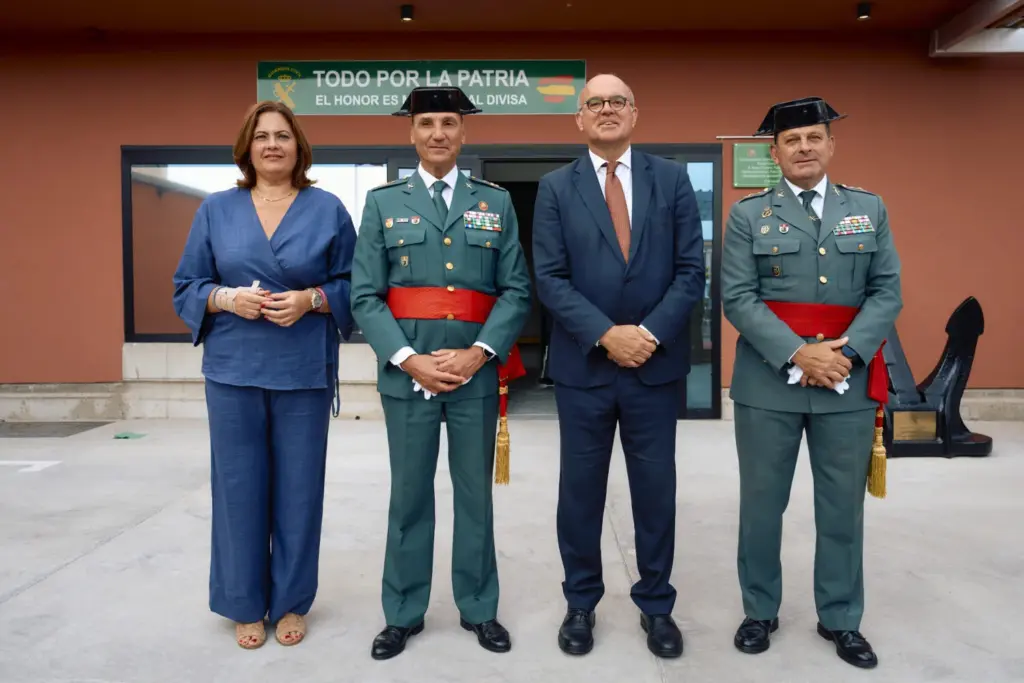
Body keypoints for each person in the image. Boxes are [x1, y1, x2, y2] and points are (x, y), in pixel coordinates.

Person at [349, 86, 532, 660]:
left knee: (475, 496)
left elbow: (516, 290)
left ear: (463, 132)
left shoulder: (494, 202)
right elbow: (365, 296)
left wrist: (480, 352)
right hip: (409, 377)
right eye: (427, 123)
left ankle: (478, 607)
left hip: (475, 376)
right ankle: (402, 612)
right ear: (411, 133)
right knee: (409, 497)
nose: (438, 133)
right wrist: (410, 360)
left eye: (449, 122)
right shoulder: (383, 202)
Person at [720, 96, 902, 669]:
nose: (804, 148)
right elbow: (738, 298)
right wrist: (800, 353)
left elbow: (886, 291)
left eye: (814, 138)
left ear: (830, 145)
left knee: (842, 507)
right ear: (774, 153)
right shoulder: (749, 215)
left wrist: (842, 356)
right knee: (761, 505)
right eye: (792, 141)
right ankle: (759, 610)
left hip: (844, 381)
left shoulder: (867, 209)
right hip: (769, 383)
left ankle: (841, 617)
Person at [532, 74, 706, 658]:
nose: (606, 110)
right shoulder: (556, 187)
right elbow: (549, 279)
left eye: (617, 102)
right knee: (579, 493)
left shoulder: (673, 179)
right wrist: (606, 335)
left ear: (635, 112)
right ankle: (580, 602)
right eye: (595, 104)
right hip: (585, 369)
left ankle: (656, 605)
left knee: (655, 492)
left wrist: (648, 335)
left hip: (654, 371)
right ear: (578, 119)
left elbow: (691, 272)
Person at [172, 100, 357, 650]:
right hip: (233, 371)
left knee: (299, 490)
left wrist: (313, 298)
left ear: (299, 146)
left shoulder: (327, 209)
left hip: (302, 370)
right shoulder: (215, 210)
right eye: (261, 137)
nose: (272, 145)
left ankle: (292, 600)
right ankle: (244, 602)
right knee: (238, 489)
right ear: (246, 149)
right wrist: (225, 298)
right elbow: (187, 285)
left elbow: (355, 284)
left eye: (282, 136)